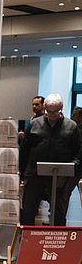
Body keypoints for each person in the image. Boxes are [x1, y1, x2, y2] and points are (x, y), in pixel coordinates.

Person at [20, 93, 82, 226]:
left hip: (60, 179)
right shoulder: (34, 124)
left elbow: (78, 155)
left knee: (59, 215)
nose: (52, 115)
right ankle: (27, 244)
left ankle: (57, 243)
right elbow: (24, 151)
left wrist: (66, 175)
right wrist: (23, 175)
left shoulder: (72, 127)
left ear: (62, 109)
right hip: (34, 176)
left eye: (55, 112)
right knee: (28, 213)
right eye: (48, 112)